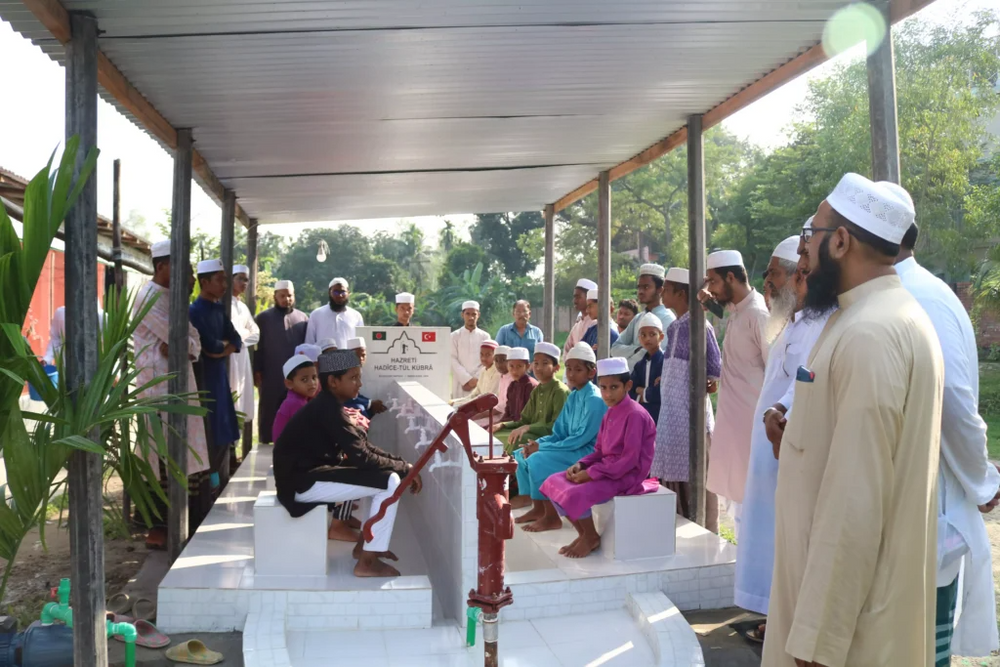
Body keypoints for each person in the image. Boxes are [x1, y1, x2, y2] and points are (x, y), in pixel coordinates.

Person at [763, 173, 944, 667]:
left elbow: (854, 501)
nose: (803, 251)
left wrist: (817, 642)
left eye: (811, 235)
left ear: (840, 241)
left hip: (850, 635)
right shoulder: (866, 317)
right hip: (838, 611)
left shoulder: (871, 333)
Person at [888, 182, 1000, 663]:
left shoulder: (920, 298)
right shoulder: (892, 294)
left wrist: (981, 482)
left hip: (925, 512)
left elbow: (952, 405)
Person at [735, 234, 829, 640]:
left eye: (773, 272)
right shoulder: (791, 322)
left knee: (788, 541)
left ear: (798, 276)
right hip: (768, 452)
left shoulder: (820, 326)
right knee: (769, 539)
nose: (767, 282)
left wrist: (779, 415)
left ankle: (784, 623)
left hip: (786, 450)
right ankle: (775, 617)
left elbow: (806, 383)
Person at [273, 350, 424, 578]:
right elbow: (362, 457)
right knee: (390, 482)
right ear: (333, 382)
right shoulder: (328, 408)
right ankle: (367, 561)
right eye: (353, 378)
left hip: (305, 477)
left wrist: (403, 465)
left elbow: (362, 447)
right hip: (299, 485)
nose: (359, 384)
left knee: (385, 477)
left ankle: (365, 546)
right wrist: (404, 469)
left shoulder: (329, 405)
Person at [132, 240, 212, 543]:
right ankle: (160, 528)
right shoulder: (148, 297)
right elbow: (178, 337)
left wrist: (185, 346)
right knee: (160, 459)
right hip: (157, 391)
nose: (189, 277)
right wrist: (184, 344)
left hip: (180, 388)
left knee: (184, 455)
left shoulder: (172, 298)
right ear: (162, 266)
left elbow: (192, 341)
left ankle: (184, 522)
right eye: (184, 269)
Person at [539, 357, 658, 558]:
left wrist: (591, 473)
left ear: (628, 386)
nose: (607, 394)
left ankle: (590, 537)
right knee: (551, 483)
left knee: (575, 494)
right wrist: (581, 464)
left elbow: (628, 461)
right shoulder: (610, 412)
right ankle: (585, 534)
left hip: (626, 476)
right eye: (603, 388)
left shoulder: (635, 415)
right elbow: (600, 451)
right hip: (606, 469)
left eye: (614, 387)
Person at [701, 249, 769, 537]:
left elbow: (774, 370)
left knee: (752, 505)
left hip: (753, 427)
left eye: (713, 282)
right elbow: (722, 308)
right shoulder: (738, 310)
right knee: (738, 503)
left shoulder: (758, 314)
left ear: (730, 277)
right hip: (734, 425)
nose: (711, 289)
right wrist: (708, 301)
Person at [651, 267, 722, 527]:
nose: (662, 294)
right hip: (672, 415)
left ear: (681, 294)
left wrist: (708, 382)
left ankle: (705, 530)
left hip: (691, 416)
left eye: (667, 290)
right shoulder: (674, 327)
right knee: (673, 475)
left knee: (697, 475)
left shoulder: (699, 324)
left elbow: (715, 366)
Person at [512, 342, 606, 531]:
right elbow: (560, 432)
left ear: (591, 372)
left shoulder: (594, 399)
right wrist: (537, 443)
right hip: (570, 447)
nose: (571, 374)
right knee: (520, 454)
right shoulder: (574, 396)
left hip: (587, 452)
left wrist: (541, 448)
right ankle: (538, 508)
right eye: (569, 368)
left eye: (578, 369)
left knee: (538, 460)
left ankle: (552, 517)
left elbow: (580, 439)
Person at [189, 259, 243, 490]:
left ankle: (220, 486)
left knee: (223, 434)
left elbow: (236, 340)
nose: (224, 285)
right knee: (210, 435)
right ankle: (210, 490)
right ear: (204, 282)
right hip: (205, 382)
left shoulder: (219, 310)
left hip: (220, 380)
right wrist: (223, 347)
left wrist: (221, 349)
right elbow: (209, 346)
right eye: (219, 280)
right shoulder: (194, 312)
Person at [253, 280, 308, 444]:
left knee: (296, 409)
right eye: (282, 296)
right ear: (275, 297)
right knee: (268, 408)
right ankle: (266, 441)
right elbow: (257, 348)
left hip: (296, 375)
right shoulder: (263, 319)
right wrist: (256, 370)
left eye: (289, 296)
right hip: (271, 372)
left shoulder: (303, 319)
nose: (286, 299)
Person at [492, 342, 568, 455]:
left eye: (545, 363)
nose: (539, 368)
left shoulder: (559, 391)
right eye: (536, 363)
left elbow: (557, 427)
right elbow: (524, 420)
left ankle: (508, 465)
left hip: (550, 438)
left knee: (517, 440)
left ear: (556, 368)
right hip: (533, 433)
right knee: (494, 434)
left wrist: (528, 428)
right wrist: (503, 425)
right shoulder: (537, 390)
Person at [611, 263, 676, 369]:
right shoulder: (638, 318)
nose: (640, 292)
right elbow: (614, 349)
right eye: (639, 287)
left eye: (646, 287)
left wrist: (627, 357)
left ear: (660, 289)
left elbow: (651, 355)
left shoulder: (668, 319)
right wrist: (637, 349)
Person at [228, 264, 260, 459]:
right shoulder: (224, 304)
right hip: (228, 359)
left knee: (240, 402)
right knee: (231, 402)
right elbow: (228, 334)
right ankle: (229, 454)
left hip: (241, 357)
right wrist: (241, 335)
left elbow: (256, 333)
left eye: (246, 280)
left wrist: (237, 340)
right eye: (240, 278)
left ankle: (235, 452)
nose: (244, 283)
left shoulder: (243, 307)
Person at [490, 347, 538, 439]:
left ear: (527, 366)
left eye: (519, 366)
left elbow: (528, 418)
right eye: (511, 366)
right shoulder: (512, 385)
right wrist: (499, 423)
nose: (514, 370)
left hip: (525, 428)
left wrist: (503, 425)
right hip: (512, 425)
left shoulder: (531, 386)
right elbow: (508, 412)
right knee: (488, 432)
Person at [305, 277, 364, 349]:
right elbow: (309, 343)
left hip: (349, 356)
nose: (339, 295)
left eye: (343, 292)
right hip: (323, 356)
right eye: (336, 292)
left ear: (348, 293)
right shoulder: (316, 314)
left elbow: (361, 344)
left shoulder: (356, 316)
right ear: (329, 293)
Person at [272, 355, 319, 442]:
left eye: (314, 377)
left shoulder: (300, 399)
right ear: (289, 384)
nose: (312, 383)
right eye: (304, 379)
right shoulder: (296, 403)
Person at [450, 300, 491, 399]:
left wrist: (475, 380)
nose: (471, 317)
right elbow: (452, 359)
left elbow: (488, 360)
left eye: (474, 314)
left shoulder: (485, 336)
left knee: (479, 406)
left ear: (478, 315)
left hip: (479, 382)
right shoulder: (454, 336)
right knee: (458, 406)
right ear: (462, 315)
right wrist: (466, 379)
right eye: (467, 314)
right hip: (460, 383)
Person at [628, 312, 664, 423]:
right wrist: (646, 394)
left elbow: (662, 392)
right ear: (639, 338)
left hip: (661, 416)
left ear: (661, 337)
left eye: (652, 334)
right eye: (643, 335)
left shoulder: (666, 362)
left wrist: (642, 392)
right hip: (642, 417)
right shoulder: (639, 365)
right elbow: (630, 390)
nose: (647, 338)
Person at [344, 337, 387, 419]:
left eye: (363, 355)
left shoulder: (358, 369)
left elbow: (357, 394)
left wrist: (371, 403)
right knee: (360, 408)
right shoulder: (345, 371)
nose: (361, 359)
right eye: (357, 356)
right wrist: (370, 403)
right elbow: (346, 395)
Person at [452, 340, 500, 407]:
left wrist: (461, 403)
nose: (483, 358)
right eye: (481, 354)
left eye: (488, 355)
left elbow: (489, 398)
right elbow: (476, 392)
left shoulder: (498, 373)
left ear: (495, 356)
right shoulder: (483, 370)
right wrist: (458, 401)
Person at [474, 345, 511, 428]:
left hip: (505, 417)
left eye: (503, 360)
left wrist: (480, 415)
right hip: (497, 412)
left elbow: (502, 408)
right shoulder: (502, 376)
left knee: (474, 425)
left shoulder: (512, 379)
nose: (499, 364)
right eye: (496, 361)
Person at [562, 278, 598, 357]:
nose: (574, 301)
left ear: (588, 298)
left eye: (578, 297)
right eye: (574, 297)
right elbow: (567, 349)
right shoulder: (577, 325)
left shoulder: (597, 323)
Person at [581, 289, 620, 355]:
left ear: (601, 305)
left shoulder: (612, 333)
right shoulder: (591, 330)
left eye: (590, 306)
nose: (587, 311)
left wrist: (588, 352)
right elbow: (579, 350)